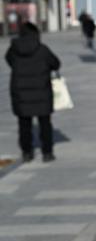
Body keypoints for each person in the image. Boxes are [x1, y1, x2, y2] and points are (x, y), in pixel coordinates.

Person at [5, 22, 61, 163]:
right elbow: (56, 63)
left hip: (21, 93)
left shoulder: (13, 49)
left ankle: (27, 152)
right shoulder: (42, 49)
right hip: (42, 92)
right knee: (45, 124)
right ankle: (47, 153)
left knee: (24, 125)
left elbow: (9, 60)